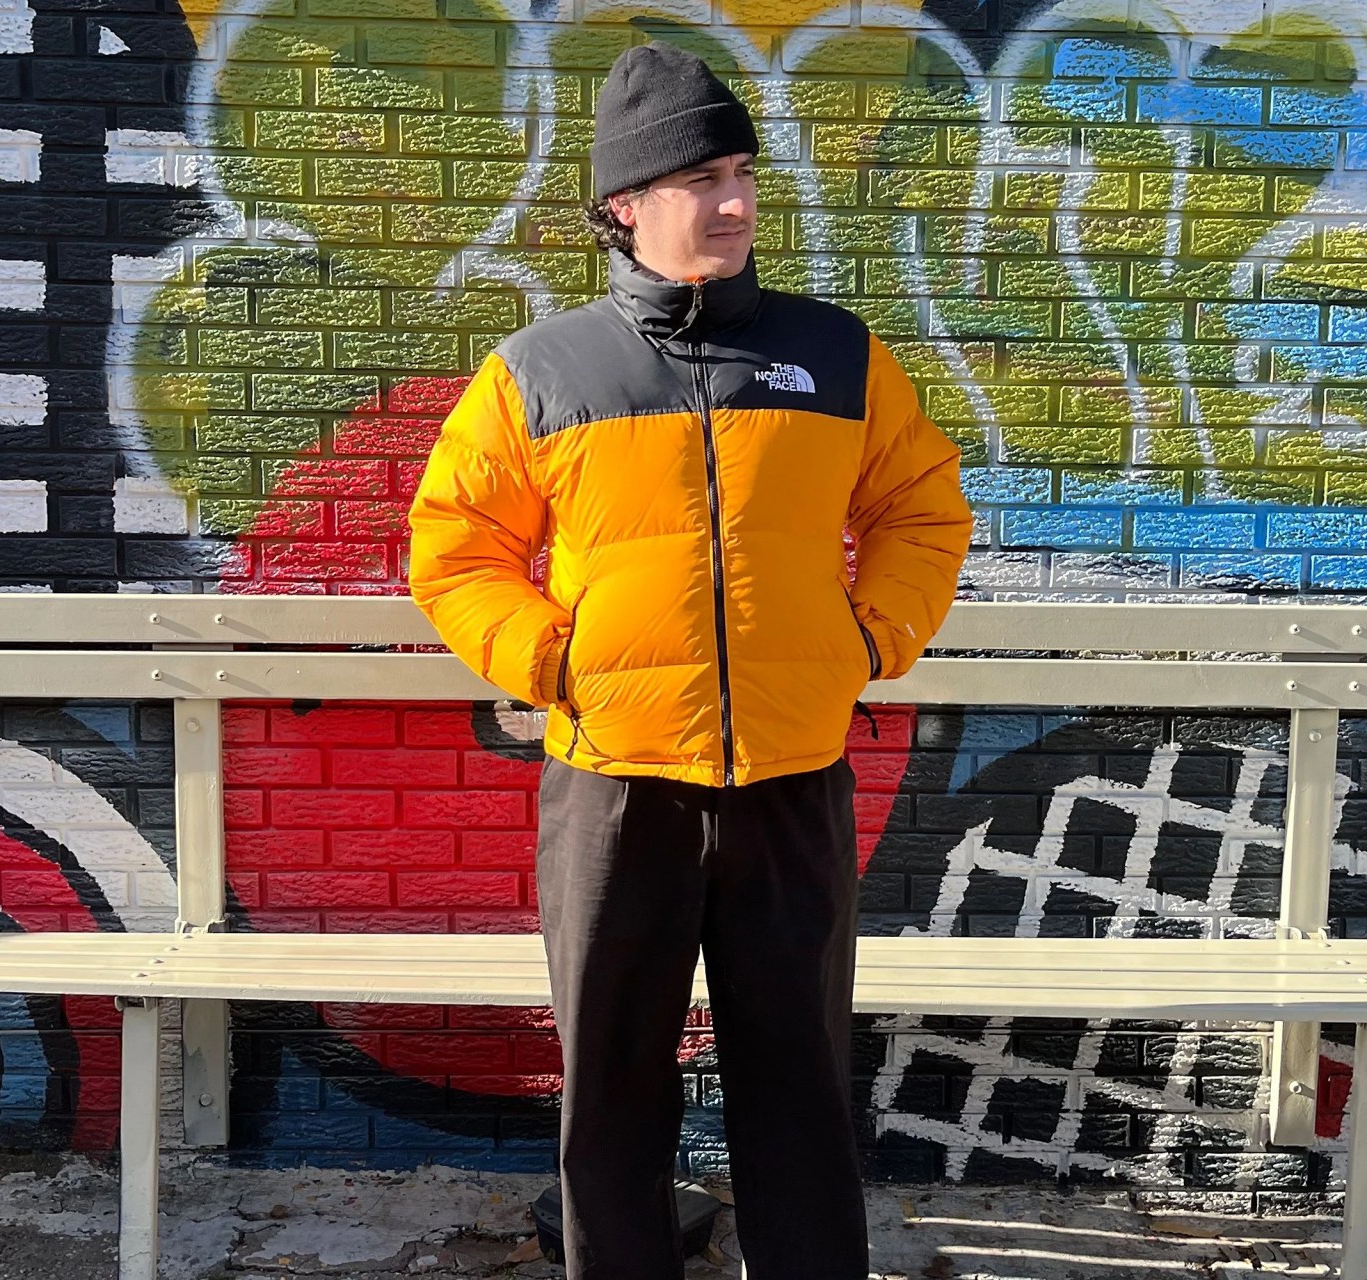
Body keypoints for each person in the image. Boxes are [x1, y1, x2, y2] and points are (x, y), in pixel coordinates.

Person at [407, 40, 972, 1280]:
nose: (732, 203)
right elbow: (456, 549)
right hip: (615, 784)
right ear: (624, 204)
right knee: (612, 1086)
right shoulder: (541, 372)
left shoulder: (835, 355)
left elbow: (922, 510)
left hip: (792, 778)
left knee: (800, 1082)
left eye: (742, 175)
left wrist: (866, 637)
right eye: (698, 180)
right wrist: (556, 659)